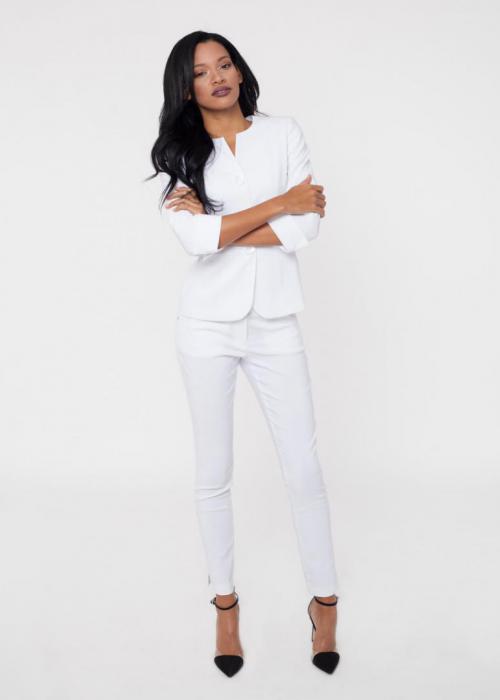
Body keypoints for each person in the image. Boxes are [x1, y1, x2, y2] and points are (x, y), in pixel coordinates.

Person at [147, 30, 341, 677]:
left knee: (303, 468)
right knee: (214, 471)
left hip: (275, 322)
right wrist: (279, 204)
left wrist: (224, 224)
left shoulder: (283, 134)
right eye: (202, 72)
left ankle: (325, 602)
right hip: (206, 326)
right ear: (187, 89)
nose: (219, 77)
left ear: (239, 69)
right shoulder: (183, 156)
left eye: (225, 63)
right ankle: (225, 607)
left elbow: (306, 228)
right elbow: (195, 242)